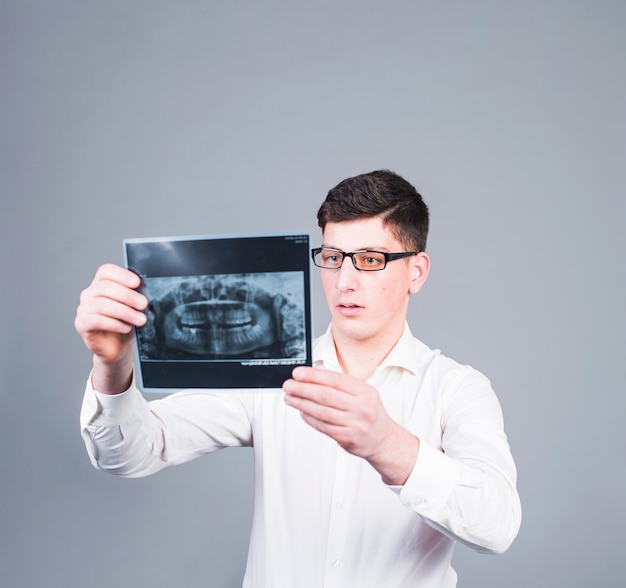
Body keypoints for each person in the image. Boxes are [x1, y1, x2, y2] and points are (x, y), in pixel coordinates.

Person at [75, 170, 521, 587]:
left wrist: (387, 444)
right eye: (332, 257)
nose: (345, 281)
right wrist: (111, 365)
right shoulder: (269, 370)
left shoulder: (457, 388)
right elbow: (130, 453)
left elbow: (496, 525)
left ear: (416, 272)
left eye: (370, 259)